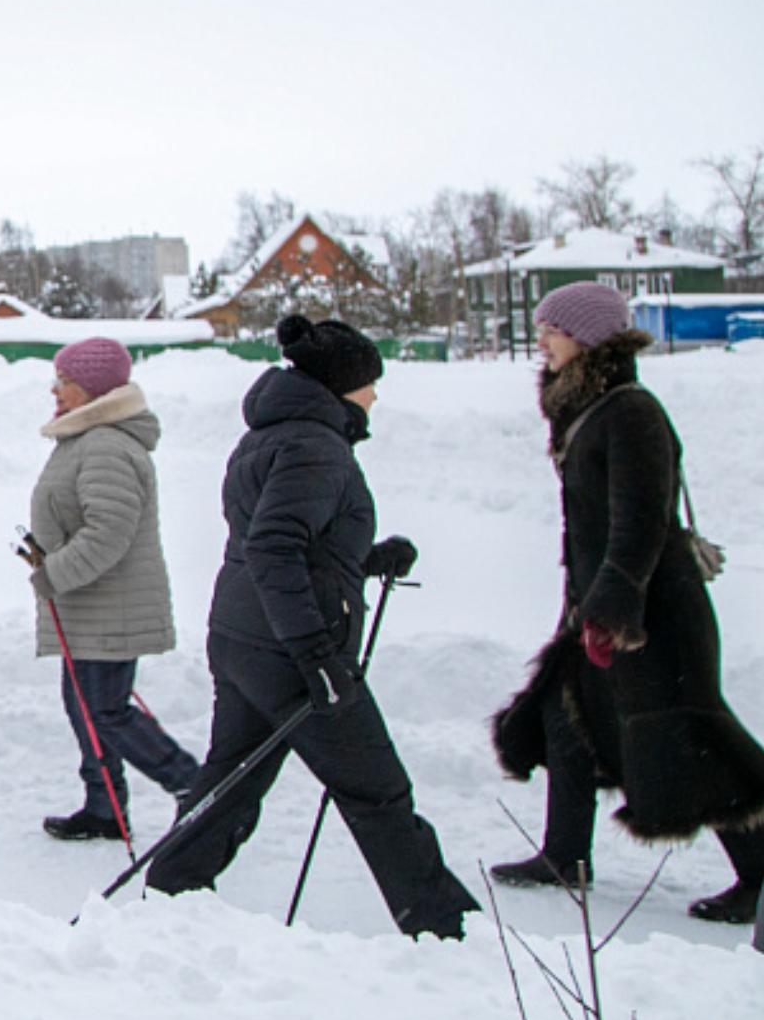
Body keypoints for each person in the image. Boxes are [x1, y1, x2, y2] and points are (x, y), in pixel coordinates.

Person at [146, 315, 478, 940]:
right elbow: (274, 546)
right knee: (377, 791)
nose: (376, 395)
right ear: (341, 385)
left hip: (243, 635)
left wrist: (366, 558)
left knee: (232, 779)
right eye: (369, 383)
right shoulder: (316, 447)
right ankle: (448, 932)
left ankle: (167, 895)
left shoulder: (273, 436)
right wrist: (316, 654)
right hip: (293, 652)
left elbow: (279, 540)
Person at [488, 282, 764, 923]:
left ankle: (759, 872)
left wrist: (612, 606)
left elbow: (640, 521)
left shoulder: (631, 413)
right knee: (565, 720)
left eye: (551, 328)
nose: (541, 340)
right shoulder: (594, 407)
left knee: (685, 738)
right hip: (605, 602)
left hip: (652, 615)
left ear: (586, 338)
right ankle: (565, 856)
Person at [25, 337, 200, 841]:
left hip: (109, 606)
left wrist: (53, 572)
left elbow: (108, 534)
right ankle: (105, 808)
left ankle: (195, 785)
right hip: (88, 605)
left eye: (66, 381)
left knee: (106, 710)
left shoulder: (104, 444)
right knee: (86, 708)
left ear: (95, 389)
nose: (55, 389)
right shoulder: (84, 437)